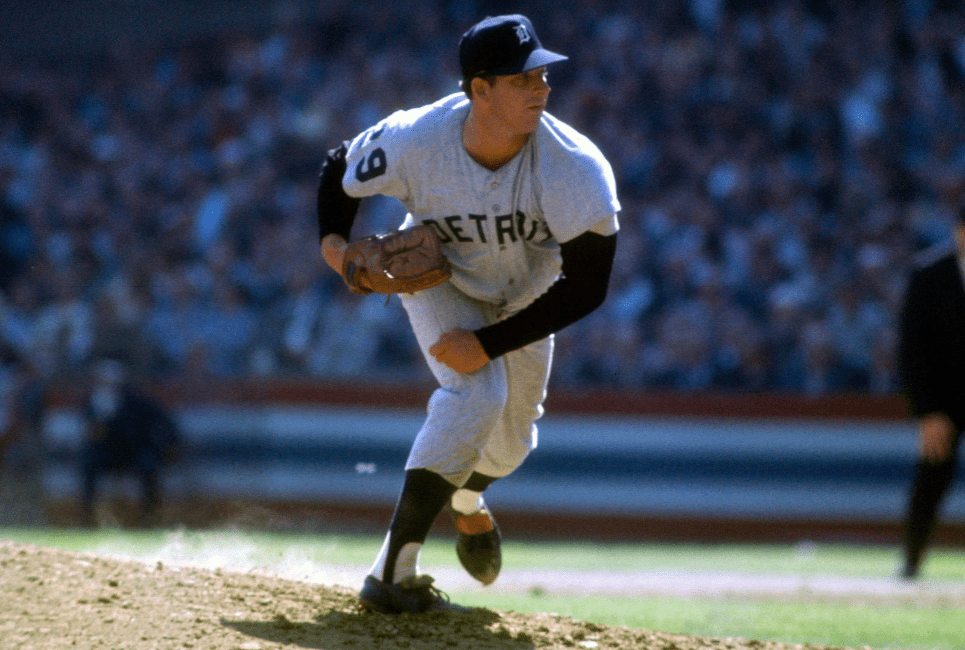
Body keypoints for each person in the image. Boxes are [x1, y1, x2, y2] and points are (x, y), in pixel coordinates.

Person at [316, 14, 619, 613]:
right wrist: (334, 247)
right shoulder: (417, 138)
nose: (542, 87)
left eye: (542, 75)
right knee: (476, 397)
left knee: (510, 448)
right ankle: (392, 575)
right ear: (480, 88)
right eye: (523, 77)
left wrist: (490, 341)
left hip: (533, 293)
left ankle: (466, 501)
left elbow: (587, 288)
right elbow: (337, 167)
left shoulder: (575, 167)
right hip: (442, 279)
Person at [897, 207, 965, 579]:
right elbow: (914, 349)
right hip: (945, 402)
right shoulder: (929, 274)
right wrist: (927, 411)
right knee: (931, 480)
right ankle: (911, 560)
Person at [79, 358, 182, 528]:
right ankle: (87, 519)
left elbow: (162, 422)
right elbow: (93, 436)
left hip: (133, 452)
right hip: (107, 454)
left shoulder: (137, 401)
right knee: (88, 467)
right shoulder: (92, 402)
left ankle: (149, 518)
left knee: (149, 468)